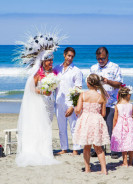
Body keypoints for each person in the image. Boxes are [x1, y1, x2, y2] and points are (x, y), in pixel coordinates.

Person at [15, 33, 61, 167]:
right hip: (39, 104)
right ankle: (39, 151)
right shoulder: (37, 74)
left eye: (52, 61)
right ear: (43, 62)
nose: (51, 63)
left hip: (49, 103)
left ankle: (46, 150)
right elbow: (31, 89)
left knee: (48, 125)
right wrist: (43, 91)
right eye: (48, 61)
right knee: (40, 126)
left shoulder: (53, 73)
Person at [90, 46, 123, 158]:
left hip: (111, 102)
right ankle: (98, 149)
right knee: (97, 127)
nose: (100, 61)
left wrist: (106, 81)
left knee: (110, 127)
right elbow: (90, 84)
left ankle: (114, 150)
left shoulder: (115, 67)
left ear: (107, 56)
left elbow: (119, 84)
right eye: (98, 59)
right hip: (97, 103)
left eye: (103, 59)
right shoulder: (93, 68)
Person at [73, 74, 110, 174]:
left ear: (88, 84)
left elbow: (78, 110)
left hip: (86, 120)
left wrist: (75, 107)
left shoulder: (83, 95)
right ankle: (104, 169)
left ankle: (87, 169)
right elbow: (103, 114)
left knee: (87, 147)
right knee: (98, 147)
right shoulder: (101, 97)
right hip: (96, 121)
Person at [54, 47, 83, 155]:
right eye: (68, 56)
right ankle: (64, 148)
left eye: (72, 56)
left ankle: (76, 149)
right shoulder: (56, 69)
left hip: (71, 103)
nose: (70, 58)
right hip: (59, 102)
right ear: (64, 55)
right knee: (61, 127)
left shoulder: (76, 71)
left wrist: (73, 106)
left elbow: (78, 89)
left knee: (74, 126)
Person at [110, 86, 133, 167]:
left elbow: (115, 118)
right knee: (130, 143)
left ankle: (125, 162)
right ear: (128, 95)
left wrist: (114, 128)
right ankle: (130, 162)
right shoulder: (131, 105)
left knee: (123, 144)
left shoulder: (117, 106)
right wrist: (128, 119)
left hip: (120, 126)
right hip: (130, 126)